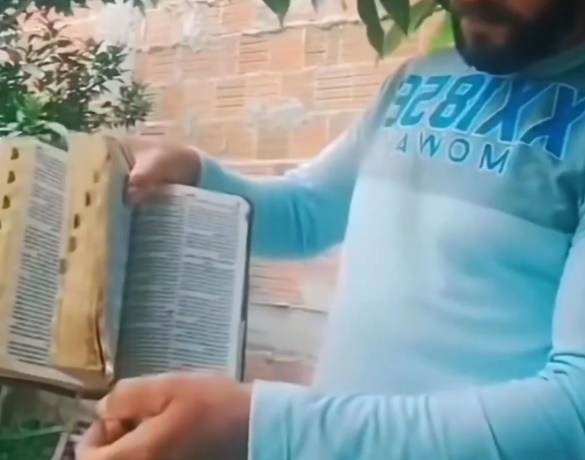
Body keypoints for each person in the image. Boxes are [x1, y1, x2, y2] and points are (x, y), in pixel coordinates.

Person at [77, 0, 585, 458]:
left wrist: (258, 428)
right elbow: (307, 212)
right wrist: (197, 174)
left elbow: (572, 414)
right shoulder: (421, 80)